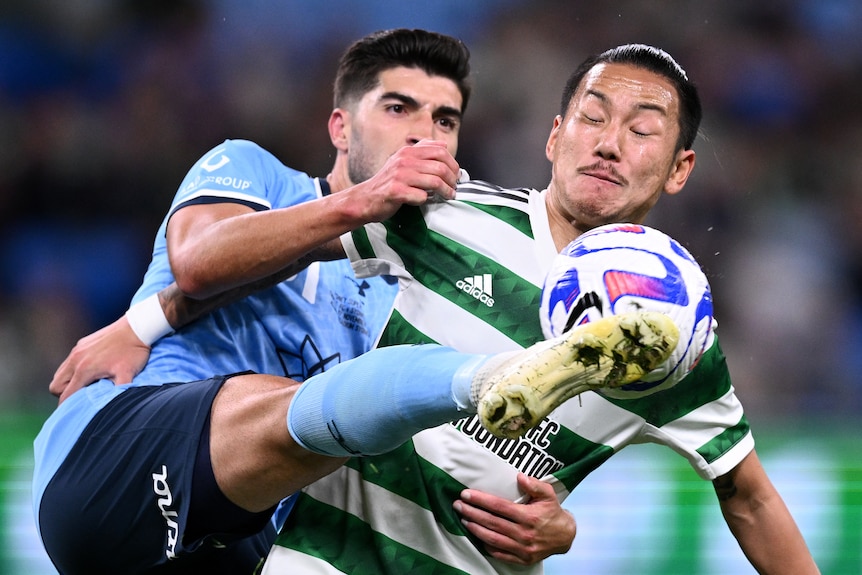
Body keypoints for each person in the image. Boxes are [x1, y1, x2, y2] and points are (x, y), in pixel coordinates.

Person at [49, 44, 821, 574]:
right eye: (592, 117)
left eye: (644, 129)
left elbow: (748, 495)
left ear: (681, 168)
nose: (611, 142)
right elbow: (261, 254)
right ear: (554, 137)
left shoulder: (676, 338)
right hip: (316, 556)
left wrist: (561, 530)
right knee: (300, 405)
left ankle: (501, 376)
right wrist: (143, 321)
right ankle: (492, 376)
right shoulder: (444, 217)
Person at [35, 28, 579, 574]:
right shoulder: (256, 172)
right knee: (306, 399)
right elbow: (199, 262)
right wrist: (364, 202)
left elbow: (438, 442)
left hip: (245, 536)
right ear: (341, 128)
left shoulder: (425, 283)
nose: (423, 135)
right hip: (119, 459)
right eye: (398, 108)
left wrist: (547, 518)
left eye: (445, 120)